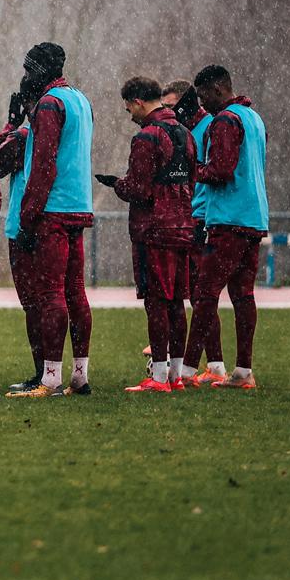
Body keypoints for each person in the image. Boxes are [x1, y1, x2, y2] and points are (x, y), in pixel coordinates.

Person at [6, 43, 96, 400]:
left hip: (52, 210)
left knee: (50, 294)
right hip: (79, 205)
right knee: (76, 293)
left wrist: (29, 216)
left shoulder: (48, 104)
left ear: (39, 70)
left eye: (28, 69)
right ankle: (79, 375)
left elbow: (43, 167)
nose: (25, 76)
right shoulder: (80, 100)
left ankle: (50, 379)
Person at [100, 77, 195, 393]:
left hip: (154, 230)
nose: (129, 114)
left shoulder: (146, 138)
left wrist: (118, 184)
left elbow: (139, 189)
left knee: (156, 301)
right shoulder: (185, 133)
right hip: (183, 225)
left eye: (128, 107)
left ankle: (157, 378)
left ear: (138, 101)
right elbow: (191, 179)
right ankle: (177, 375)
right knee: (177, 303)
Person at [182, 65, 269, 390]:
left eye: (204, 95)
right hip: (255, 216)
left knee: (205, 293)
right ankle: (243, 370)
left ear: (218, 89)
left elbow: (221, 171)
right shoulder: (254, 119)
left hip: (229, 219)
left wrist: (190, 169)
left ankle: (187, 371)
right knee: (243, 295)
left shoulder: (225, 121)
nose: (202, 105)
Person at [163, 77, 223, 380]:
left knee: (203, 296)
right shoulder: (183, 131)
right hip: (187, 219)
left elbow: (216, 171)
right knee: (197, 297)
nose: (170, 113)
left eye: (173, 106)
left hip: (201, 220)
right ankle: (214, 366)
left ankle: (209, 366)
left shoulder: (209, 127)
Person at [0, 82, 40, 392]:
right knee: (57, 299)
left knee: (34, 305)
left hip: (23, 225)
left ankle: (44, 372)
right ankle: (66, 369)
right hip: (50, 218)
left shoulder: (23, 137)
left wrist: (12, 122)